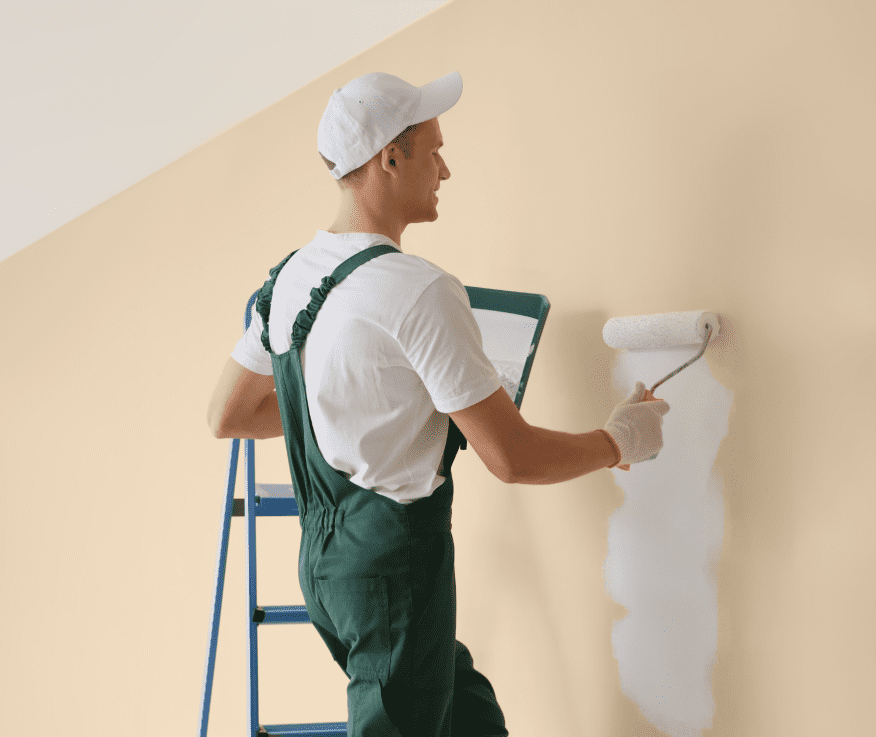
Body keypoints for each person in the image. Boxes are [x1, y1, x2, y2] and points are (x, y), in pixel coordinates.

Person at [226, 71, 669, 736]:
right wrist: (618, 441)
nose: (446, 168)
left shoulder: (290, 278)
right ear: (390, 158)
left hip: (328, 569)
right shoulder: (418, 291)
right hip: (394, 574)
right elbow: (511, 457)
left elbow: (226, 413)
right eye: (434, 150)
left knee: (470, 717)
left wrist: (376, 406)